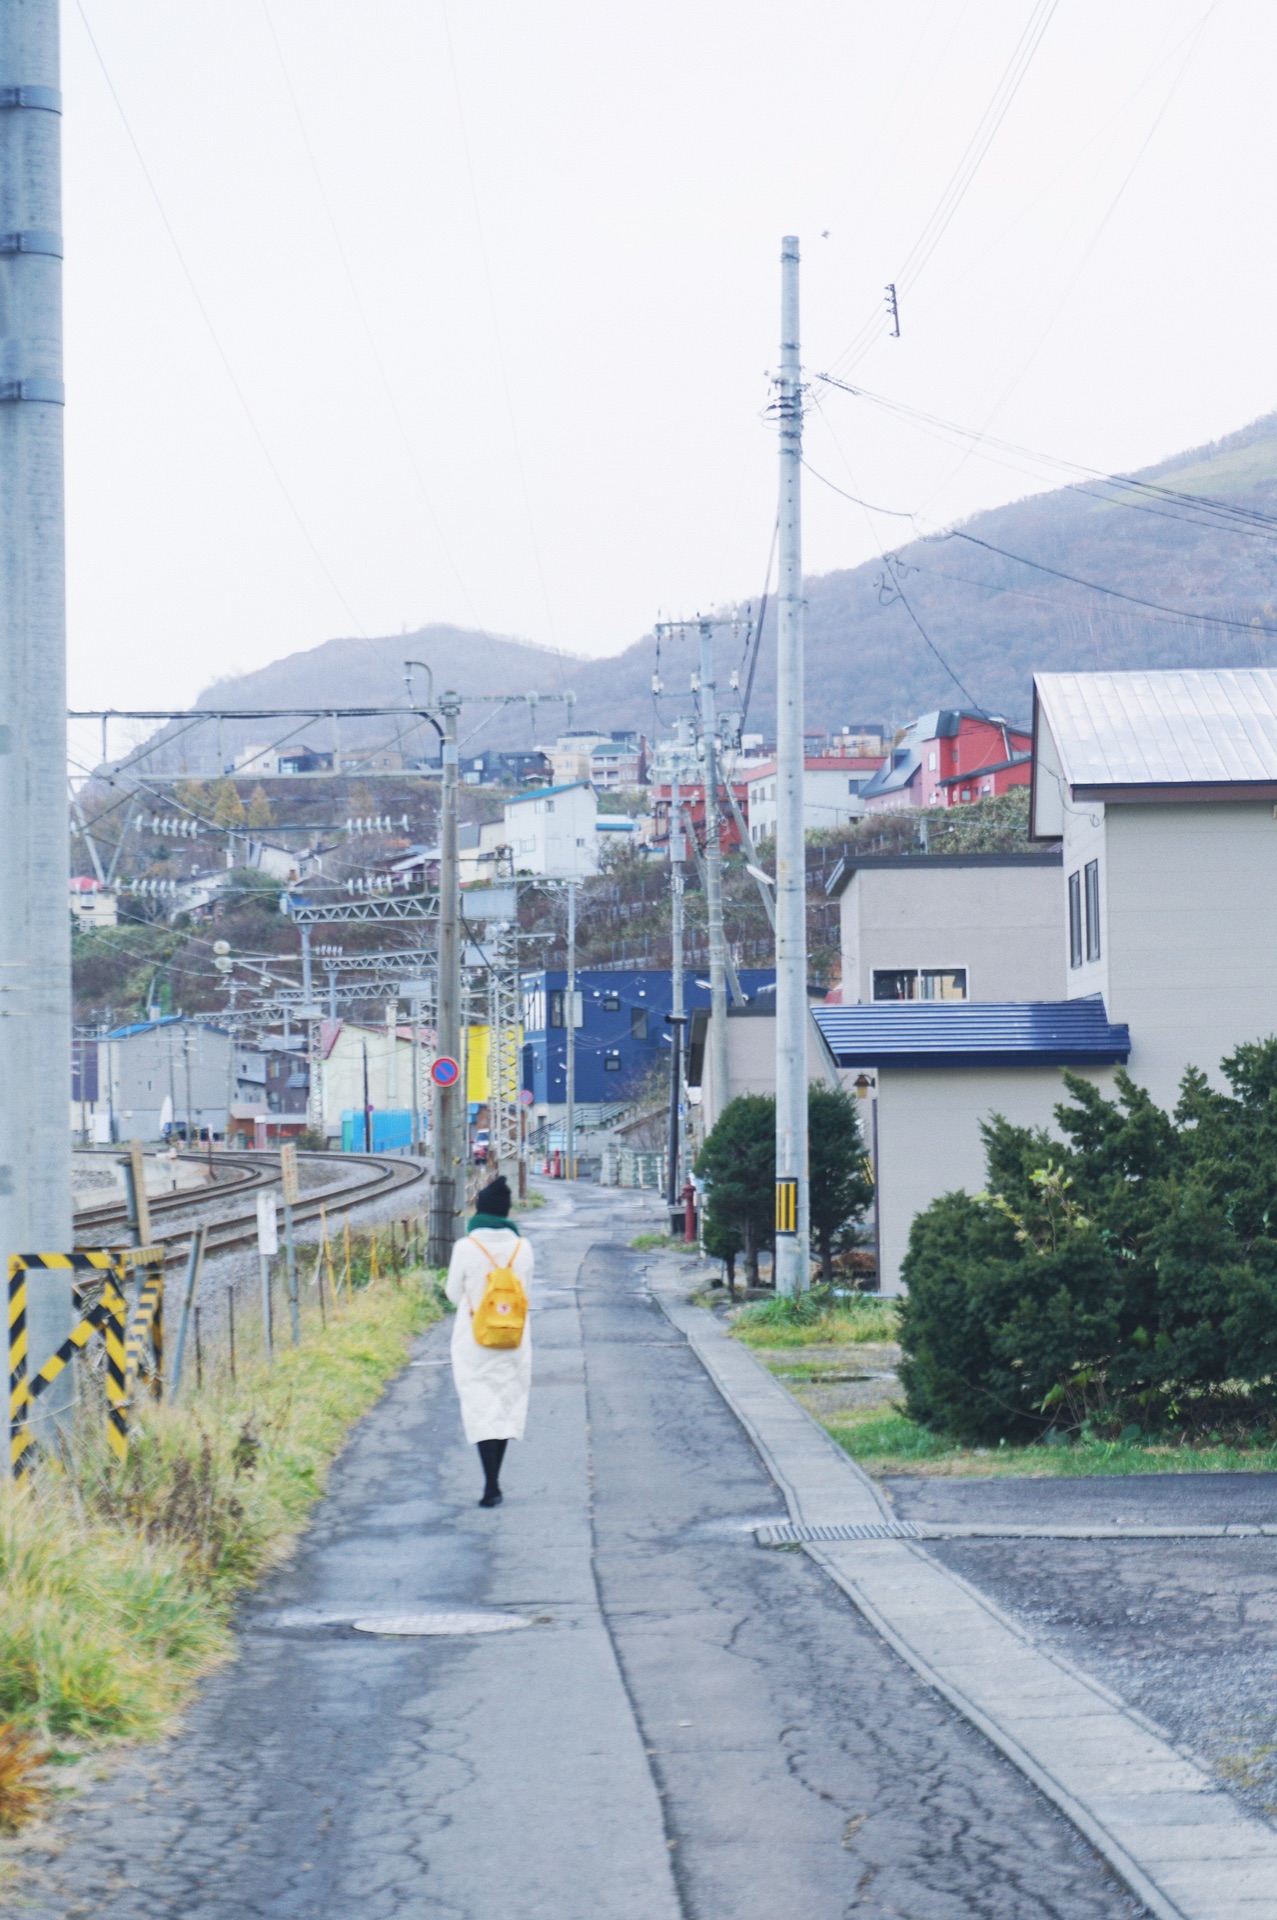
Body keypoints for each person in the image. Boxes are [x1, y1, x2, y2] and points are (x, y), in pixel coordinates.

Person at [445, 1175, 533, 1508]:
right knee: (505, 1405)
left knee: (481, 1407)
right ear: (506, 1211)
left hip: (473, 1341)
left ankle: (490, 1485)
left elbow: (453, 1294)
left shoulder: (466, 1248)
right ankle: (495, 1481)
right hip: (514, 1339)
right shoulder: (523, 1247)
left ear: (480, 1209)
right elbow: (527, 1292)